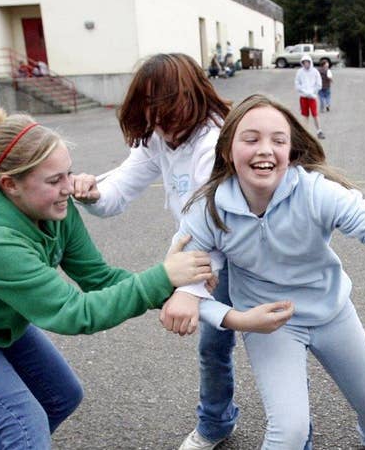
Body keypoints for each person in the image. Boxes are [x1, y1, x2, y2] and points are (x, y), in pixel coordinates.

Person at [0, 104, 215, 449]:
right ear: (9, 184)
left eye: (68, 173)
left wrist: (176, 289)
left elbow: (98, 277)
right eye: (54, 179)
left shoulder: (53, 207)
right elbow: (73, 312)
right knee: (25, 421)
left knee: (61, 396)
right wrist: (162, 277)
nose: (70, 187)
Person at [161, 94, 365, 449]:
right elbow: (185, 287)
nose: (265, 149)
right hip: (269, 322)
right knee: (290, 431)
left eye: (278, 140)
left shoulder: (315, 192)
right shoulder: (209, 210)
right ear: (228, 150)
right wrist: (212, 307)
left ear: (291, 153)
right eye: (251, 139)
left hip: (331, 312)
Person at [69, 52, 241, 450]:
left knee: (274, 345)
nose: (159, 118)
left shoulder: (215, 139)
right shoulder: (158, 137)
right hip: (208, 260)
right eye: (149, 107)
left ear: (193, 94)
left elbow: (209, 222)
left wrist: (187, 288)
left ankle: (297, 426)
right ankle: (216, 423)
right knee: (213, 349)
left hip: (246, 257)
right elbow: (118, 192)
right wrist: (93, 194)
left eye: (166, 106)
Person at [295, 54, 324, 139]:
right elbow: (297, 83)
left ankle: (319, 131)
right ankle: (305, 133)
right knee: (305, 115)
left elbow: (319, 84)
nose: (306, 64)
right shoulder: (300, 72)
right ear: (302, 63)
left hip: (312, 97)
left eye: (307, 62)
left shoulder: (315, 71)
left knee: (315, 114)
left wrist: (313, 92)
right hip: (303, 97)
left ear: (310, 62)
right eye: (304, 62)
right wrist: (303, 91)